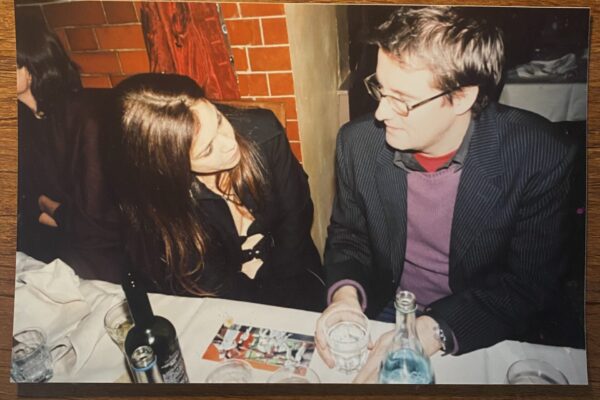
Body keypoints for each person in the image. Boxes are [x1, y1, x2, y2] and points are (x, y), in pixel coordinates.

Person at [315, 6, 578, 381]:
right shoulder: (357, 144)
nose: (380, 113)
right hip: (387, 305)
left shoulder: (540, 154)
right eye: (379, 89)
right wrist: (345, 298)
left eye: (402, 99)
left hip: (482, 318)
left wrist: (428, 330)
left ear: (461, 98)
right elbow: (349, 236)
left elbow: (528, 284)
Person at [108, 73, 325, 311]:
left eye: (219, 120)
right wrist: (259, 307)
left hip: (292, 270)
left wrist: (282, 290)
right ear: (170, 167)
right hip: (222, 297)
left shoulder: (263, 132)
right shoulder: (157, 199)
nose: (229, 142)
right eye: (207, 149)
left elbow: (296, 213)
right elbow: (202, 276)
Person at [16, 13, 124, 281]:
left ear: (31, 63)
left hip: (106, 254)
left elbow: (97, 223)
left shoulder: (84, 115)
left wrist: (46, 205)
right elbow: (24, 203)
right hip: (56, 245)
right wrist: (46, 209)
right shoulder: (21, 120)